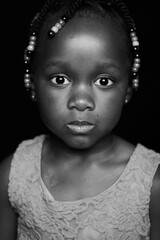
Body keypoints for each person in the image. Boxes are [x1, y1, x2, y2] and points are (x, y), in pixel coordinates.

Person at [0, 0, 160, 239]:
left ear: (128, 87)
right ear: (32, 83)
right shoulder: (13, 176)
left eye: (104, 81)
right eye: (60, 79)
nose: (81, 101)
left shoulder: (152, 183)